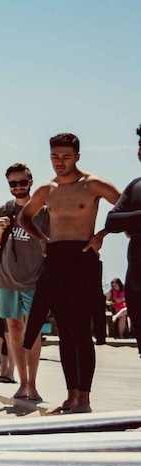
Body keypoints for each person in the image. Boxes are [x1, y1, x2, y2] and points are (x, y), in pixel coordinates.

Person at [20, 133, 121, 414]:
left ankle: (85, 400)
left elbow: (127, 207)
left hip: (83, 258)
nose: (59, 162)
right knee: (65, 332)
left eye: (65, 156)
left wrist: (101, 234)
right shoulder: (47, 189)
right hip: (56, 258)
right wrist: (41, 238)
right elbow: (24, 217)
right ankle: (71, 396)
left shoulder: (93, 184)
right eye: (54, 156)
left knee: (81, 332)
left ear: (77, 156)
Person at [0, 163, 49, 402]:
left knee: (32, 332)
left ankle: (32, 384)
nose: (18, 187)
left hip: (35, 279)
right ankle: (21, 382)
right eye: (13, 183)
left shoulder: (44, 211)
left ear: (31, 182)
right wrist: (0, 230)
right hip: (7, 279)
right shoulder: (2, 210)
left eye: (22, 182)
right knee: (14, 330)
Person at [105, 123, 141, 357]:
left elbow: (121, 220)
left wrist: (131, 223)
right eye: (140, 145)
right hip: (136, 280)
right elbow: (112, 221)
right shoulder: (136, 185)